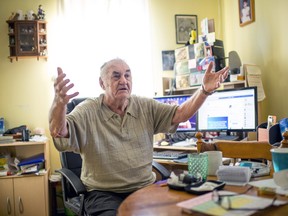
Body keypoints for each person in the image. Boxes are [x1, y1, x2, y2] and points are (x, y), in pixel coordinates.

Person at [49, 58, 229, 215]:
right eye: (116, 76)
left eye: (128, 75)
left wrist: (204, 90)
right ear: (102, 84)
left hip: (144, 189)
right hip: (103, 193)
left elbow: (181, 114)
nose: (124, 80)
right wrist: (59, 104)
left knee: (181, 210)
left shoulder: (144, 106)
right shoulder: (87, 111)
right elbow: (59, 131)